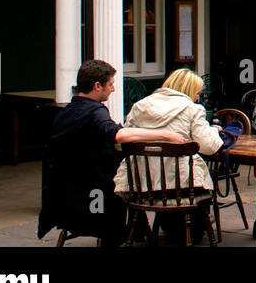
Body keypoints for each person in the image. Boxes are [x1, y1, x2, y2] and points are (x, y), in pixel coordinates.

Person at [38, 60, 184, 246]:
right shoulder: (95, 111)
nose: (113, 89)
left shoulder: (67, 111)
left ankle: (137, 231)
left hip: (64, 196)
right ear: (97, 86)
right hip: (92, 198)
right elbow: (117, 134)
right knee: (131, 183)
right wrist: (165, 134)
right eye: (111, 84)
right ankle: (131, 232)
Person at [115, 68, 224, 243]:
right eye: (196, 93)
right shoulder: (192, 109)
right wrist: (214, 131)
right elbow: (209, 146)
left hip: (143, 185)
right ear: (189, 91)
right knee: (198, 186)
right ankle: (191, 231)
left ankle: (167, 227)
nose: (197, 98)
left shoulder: (140, 106)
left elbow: (128, 138)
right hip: (182, 186)